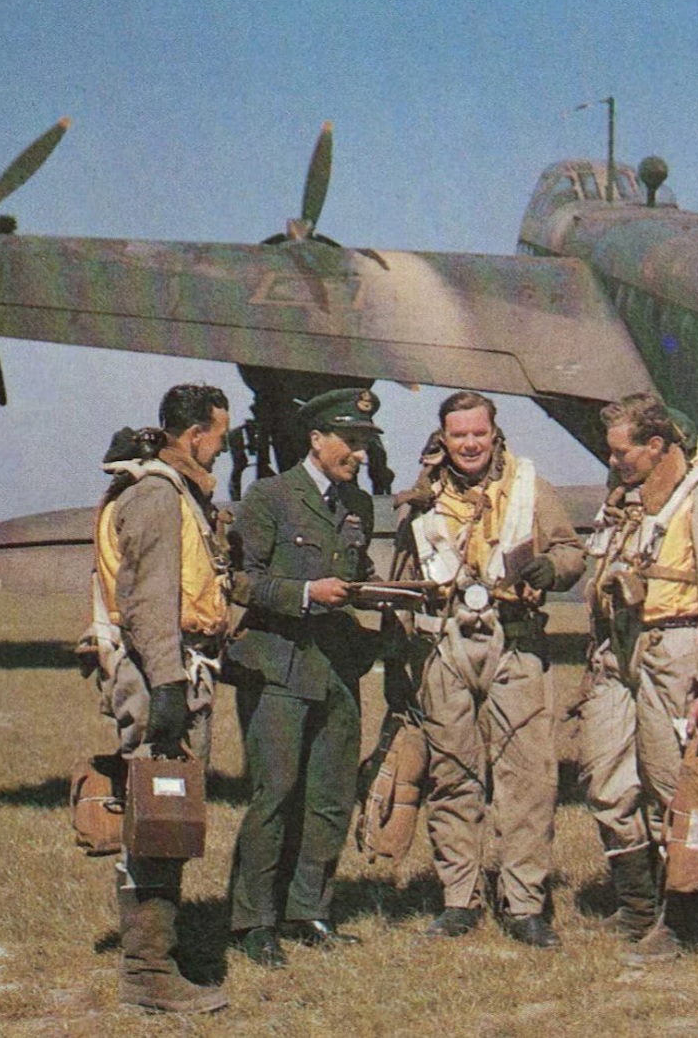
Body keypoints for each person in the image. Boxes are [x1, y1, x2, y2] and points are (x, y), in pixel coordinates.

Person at [391, 391, 585, 948]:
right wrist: (399, 658)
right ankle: (459, 898)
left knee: (526, 777)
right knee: (452, 775)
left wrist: (552, 566)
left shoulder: (527, 485)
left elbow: (573, 552)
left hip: (516, 641)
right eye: (459, 435)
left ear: (494, 434)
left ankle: (523, 902)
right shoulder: (421, 499)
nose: (470, 444)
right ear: (444, 438)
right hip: (441, 647)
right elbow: (405, 580)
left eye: (479, 433)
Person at [580, 392, 698, 965]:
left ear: (656, 447)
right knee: (604, 775)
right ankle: (635, 903)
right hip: (618, 648)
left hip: (676, 648)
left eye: (622, 451)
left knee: (671, 784)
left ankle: (680, 916)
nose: (613, 462)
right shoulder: (624, 502)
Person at [87, 383, 233, 1013]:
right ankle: (148, 972)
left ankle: (156, 960)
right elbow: (148, 601)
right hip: (159, 680)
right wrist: (169, 687)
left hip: (168, 672)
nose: (222, 451)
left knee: (162, 818)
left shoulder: (166, 492)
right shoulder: (156, 495)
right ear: (195, 434)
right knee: (158, 820)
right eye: (220, 439)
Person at [226, 387, 383, 967]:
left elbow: (356, 573)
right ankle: (252, 920)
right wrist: (304, 595)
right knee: (275, 795)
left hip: (338, 669)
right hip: (280, 665)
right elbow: (241, 582)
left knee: (331, 796)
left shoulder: (358, 506)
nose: (359, 455)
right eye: (351, 441)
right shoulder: (269, 497)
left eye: (365, 444)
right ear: (316, 440)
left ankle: (307, 910)